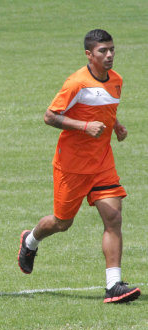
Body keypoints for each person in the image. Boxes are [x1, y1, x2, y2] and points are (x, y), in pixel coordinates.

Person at [18, 29, 140, 304]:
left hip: (102, 163)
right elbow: (50, 116)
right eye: (102, 51)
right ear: (89, 54)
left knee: (114, 218)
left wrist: (116, 125)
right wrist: (84, 126)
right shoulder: (76, 83)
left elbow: (105, 109)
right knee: (62, 223)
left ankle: (113, 286)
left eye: (111, 49)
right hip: (71, 166)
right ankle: (30, 241)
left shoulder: (117, 80)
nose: (109, 55)